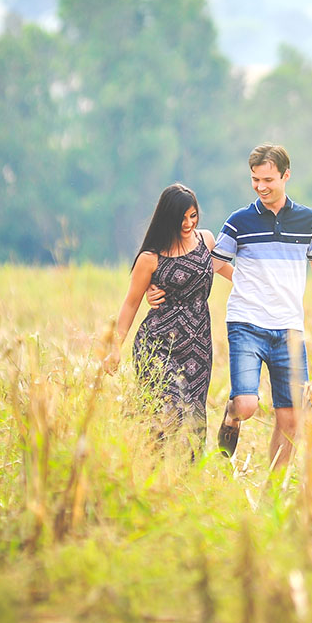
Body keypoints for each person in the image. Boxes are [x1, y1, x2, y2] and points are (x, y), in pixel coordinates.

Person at [205, 143, 312, 472]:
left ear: (286, 176)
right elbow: (212, 264)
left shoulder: (309, 221)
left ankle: (272, 493)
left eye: (268, 179)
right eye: (255, 179)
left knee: (292, 419)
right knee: (246, 404)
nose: (261, 187)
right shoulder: (239, 221)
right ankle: (232, 414)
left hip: (289, 330)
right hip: (246, 323)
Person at [103, 183, 232, 448]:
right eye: (182, 218)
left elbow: (229, 272)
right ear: (167, 218)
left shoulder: (206, 240)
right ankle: (152, 463)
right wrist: (115, 348)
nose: (188, 223)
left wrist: (266, 288)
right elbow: (130, 304)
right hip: (158, 345)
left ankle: (187, 470)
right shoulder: (150, 258)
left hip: (198, 346)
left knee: (194, 414)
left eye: (193, 216)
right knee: (168, 411)